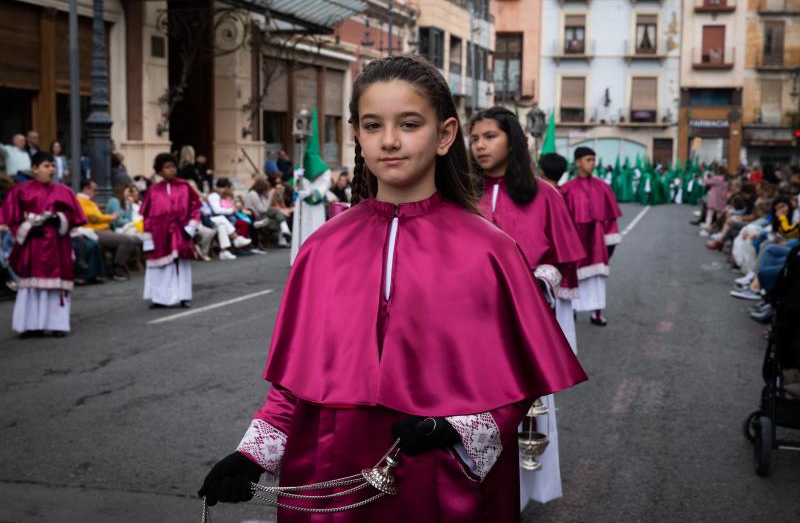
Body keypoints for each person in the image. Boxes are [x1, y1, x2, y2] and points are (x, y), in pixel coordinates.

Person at [198, 53, 586, 522]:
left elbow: (514, 387)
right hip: (328, 476)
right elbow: (294, 380)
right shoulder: (322, 247)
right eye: (373, 125)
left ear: (444, 135)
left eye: (408, 123)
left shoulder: (491, 250)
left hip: (438, 481)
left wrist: (454, 429)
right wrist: (253, 454)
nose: (390, 141)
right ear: (356, 135)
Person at [470, 109, 585, 508]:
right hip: (468, 323)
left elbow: (564, 262)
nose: (480, 145)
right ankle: (471, 490)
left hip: (523, 321)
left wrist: (538, 280)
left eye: (489, 136)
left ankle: (520, 494)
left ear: (513, 141)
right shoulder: (462, 195)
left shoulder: (544, 194)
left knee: (520, 408)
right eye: (475, 138)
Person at [0, 152, 86, 337]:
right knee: (32, 287)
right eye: (47, 166)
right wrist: (28, 229)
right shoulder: (20, 191)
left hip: (57, 244)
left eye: (53, 165)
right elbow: (12, 220)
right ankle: (31, 325)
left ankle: (57, 324)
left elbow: (73, 217)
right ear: (35, 169)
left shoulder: (64, 191)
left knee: (56, 287)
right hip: (33, 245)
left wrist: (59, 218)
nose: (52, 169)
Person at [560, 146, 622, 326]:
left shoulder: (603, 187)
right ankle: (570, 311)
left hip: (596, 243)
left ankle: (597, 314)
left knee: (597, 281)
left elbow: (610, 219)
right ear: (578, 162)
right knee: (573, 278)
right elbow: (562, 221)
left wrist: (610, 243)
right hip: (576, 243)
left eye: (594, 160)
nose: (592, 164)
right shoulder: (567, 189)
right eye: (588, 160)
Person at [140, 153, 202, 308]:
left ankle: (183, 296)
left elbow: (195, 208)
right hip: (159, 234)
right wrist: (148, 239)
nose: (171, 170)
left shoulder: (184, 187)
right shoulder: (153, 191)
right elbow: (147, 216)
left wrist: (191, 227)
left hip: (180, 232)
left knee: (180, 265)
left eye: (173, 166)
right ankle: (159, 298)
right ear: (160, 171)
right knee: (160, 267)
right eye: (167, 167)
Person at [290, 108, 331, 265]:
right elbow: (295, 185)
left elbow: (324, 187)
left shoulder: (324, 170)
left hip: (314, 204)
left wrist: (310, 194)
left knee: (315, 229)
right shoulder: (300, 166)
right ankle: (298, 256)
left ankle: (314, 257)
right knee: (301, 229)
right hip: (301, 203)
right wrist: (298, 180)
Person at [77, 180, 141, 281]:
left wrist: (128, 206)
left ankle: (116, 267)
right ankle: (117, 267)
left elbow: (99, 217)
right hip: (95, 231)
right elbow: (93, 218)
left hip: (104, 229)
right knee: (128, 240)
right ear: (86, 189)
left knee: (133, 239)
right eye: (94, 190)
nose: (96, 192)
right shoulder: (80, 200)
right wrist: (110, 217)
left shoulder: (89, 201)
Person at [244, 177, 291, 248]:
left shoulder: (259, 194)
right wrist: (269, 196)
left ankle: (284, 236)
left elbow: (265, 208)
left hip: (262, 215)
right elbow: (263, 209)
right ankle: (285, 232)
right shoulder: (253, 194)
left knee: (279, 215)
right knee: (277, 212)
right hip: (257, 217)